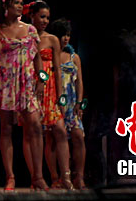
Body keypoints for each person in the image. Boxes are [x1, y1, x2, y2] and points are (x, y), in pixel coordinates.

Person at [0, 0, 47, 191]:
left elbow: (37, 58)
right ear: (6, 6)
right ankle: (10, 177)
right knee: (6, 129)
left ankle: (38, 176)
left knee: (35, 125)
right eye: (16, 2)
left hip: (27, 82)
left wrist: (41, 80)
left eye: (22, 3)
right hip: (6, 82)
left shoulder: (30, 29)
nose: (20, 6)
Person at [23, 0, 71, 189]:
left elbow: (57, 69)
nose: (45, 21)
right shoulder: (25, 35)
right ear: (32, 15)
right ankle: (37, 177)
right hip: (30, 86)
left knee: (60, 130)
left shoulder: (52, 40)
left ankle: (66, 176)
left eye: (47, 18)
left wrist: (60, 96)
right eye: (42, 16)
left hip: (50, 89)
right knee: (31, 132)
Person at [49, 18, 86, 190]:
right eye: (62, 35)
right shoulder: (50, 55)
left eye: (68, 35)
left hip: (71, 102)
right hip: (54, 101)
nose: (66, 38)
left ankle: (79, 177)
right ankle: (56, 177)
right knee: (53, 138)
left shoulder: (74, 57)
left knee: (78, 136)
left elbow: (79, 82)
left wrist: (79, 102)